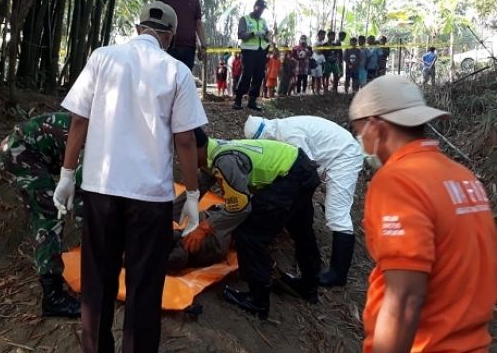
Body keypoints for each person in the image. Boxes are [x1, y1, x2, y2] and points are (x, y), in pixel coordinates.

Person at [56, 2, 208, 353]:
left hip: (101, 190)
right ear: (168, 36)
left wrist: (66, 175)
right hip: (150, 198)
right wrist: (192, 196)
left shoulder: (102, 57)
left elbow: (79, 119)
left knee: (97, 282)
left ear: (138, 28)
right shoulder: (176, 71)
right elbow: (185, 139)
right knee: (143, 286)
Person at [349, 75, 496, 352]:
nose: (361, 140)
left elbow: (404, 298)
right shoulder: (462, 176)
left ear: (376, 126)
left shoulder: (398, 181)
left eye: (358, 131)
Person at [189, 130, 322, 319]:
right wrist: (170, 215)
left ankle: (257, 301)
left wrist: (205, 227)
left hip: (291, 176)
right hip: (299, 165)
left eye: (184, 154)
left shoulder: (224, 161)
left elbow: (240, 207)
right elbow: (196, 189)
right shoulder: (214, 150)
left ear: (196, 149)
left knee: (249, 234)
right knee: (300, 229)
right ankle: (309, 286)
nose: (182, 160)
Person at [244, 115, 364, 286]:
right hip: (330, 156)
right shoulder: (281, 129)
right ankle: (315, 271)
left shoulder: (288, 134)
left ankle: (338, 274)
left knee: (336, 213)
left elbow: (306, 169)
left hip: (343, 156)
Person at [0, 113, 81, 318]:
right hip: (20, 152)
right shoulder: (96, 143)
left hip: (29, 150)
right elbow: (84, 207)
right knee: (48, 215)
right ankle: (52, 298)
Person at [232, 0, 271, 111]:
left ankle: (252, 101)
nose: (261, 11)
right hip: (248, 51)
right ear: (255, 7)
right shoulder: (245, 19)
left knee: (259, 76)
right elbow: (241, 34)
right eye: (260, 8)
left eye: (263, 9)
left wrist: (267, 36)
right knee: (246, 75)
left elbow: (267, 34)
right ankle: (238, 100)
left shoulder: (263, 21)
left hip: (261, 50)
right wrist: (253, 33)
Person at [157, 0, 208, 70]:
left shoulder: (194, 2)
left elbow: (198, 24)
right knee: (167, 79)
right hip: (167, 48)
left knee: (184, 79)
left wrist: (203, 45)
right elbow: (155, 22)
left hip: (188, 50)